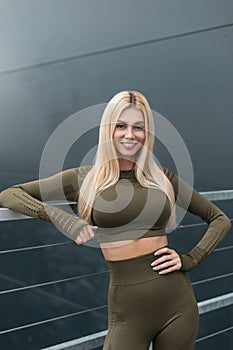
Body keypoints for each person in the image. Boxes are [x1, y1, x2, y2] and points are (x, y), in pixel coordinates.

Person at [0, 90, 231, 350]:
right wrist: (64, 219)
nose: (129, 135)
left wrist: (189, 259)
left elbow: (219, 219)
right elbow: (10, 194)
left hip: (178, 304)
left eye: (138, 127)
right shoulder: (83, 179)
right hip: (128, 311)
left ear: (147, 133)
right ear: (108, 129)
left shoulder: (163, 178)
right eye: (120, 125)